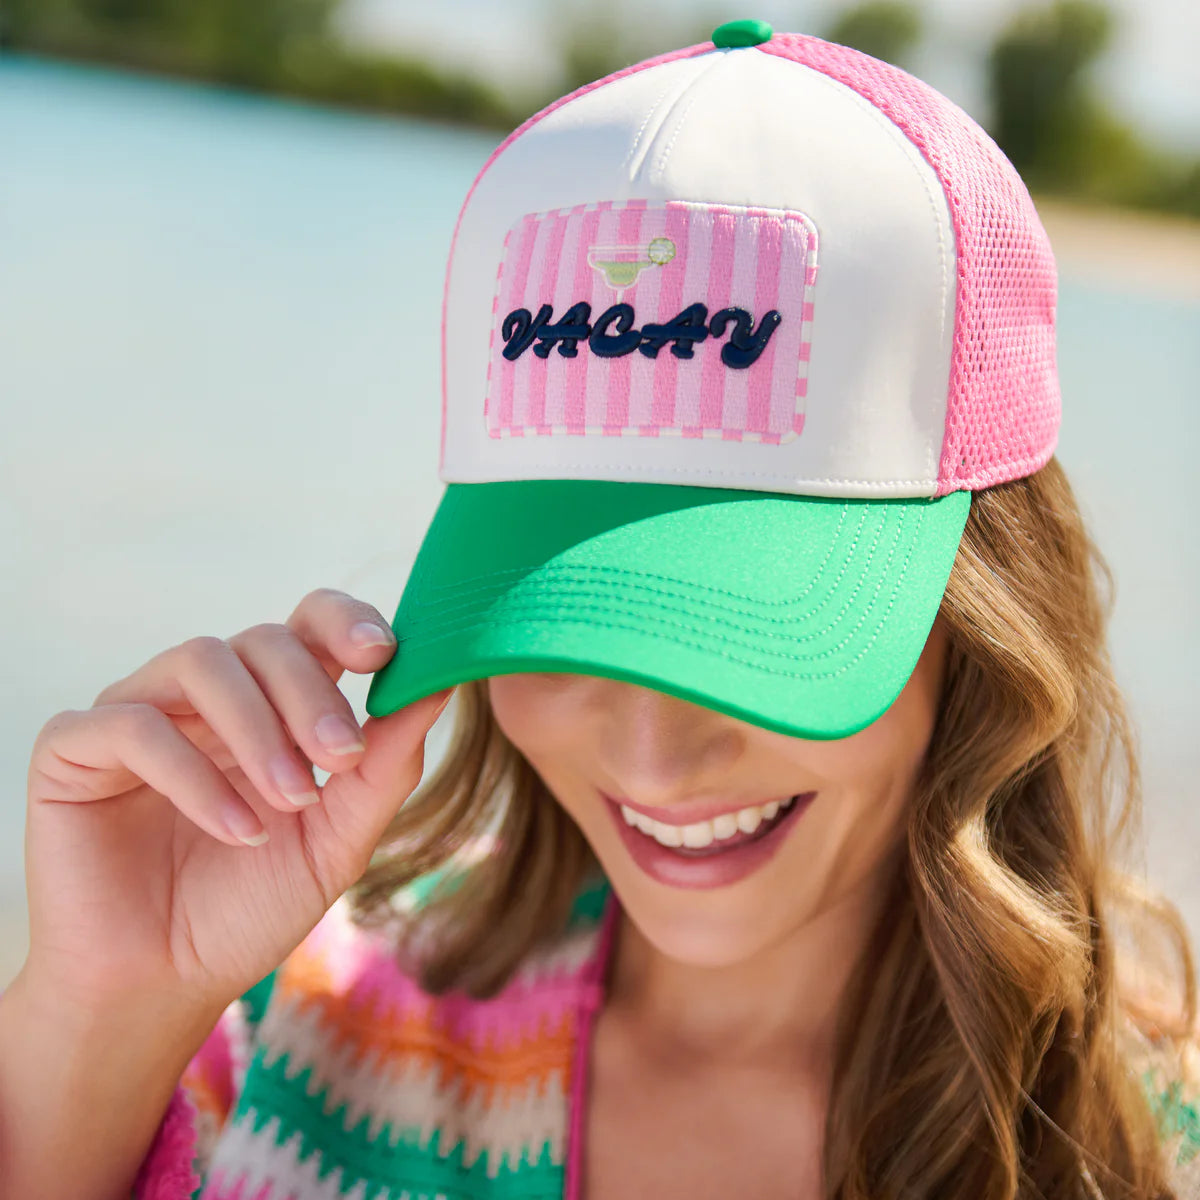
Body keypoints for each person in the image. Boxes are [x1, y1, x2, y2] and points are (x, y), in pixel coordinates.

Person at [2, 18, 1198, 1200]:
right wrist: (99, 1011)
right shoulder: (280, 1014)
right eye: (570, 620)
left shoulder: (1150, 1139)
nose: (653, 758)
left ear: (982, 607)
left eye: (748, 630)